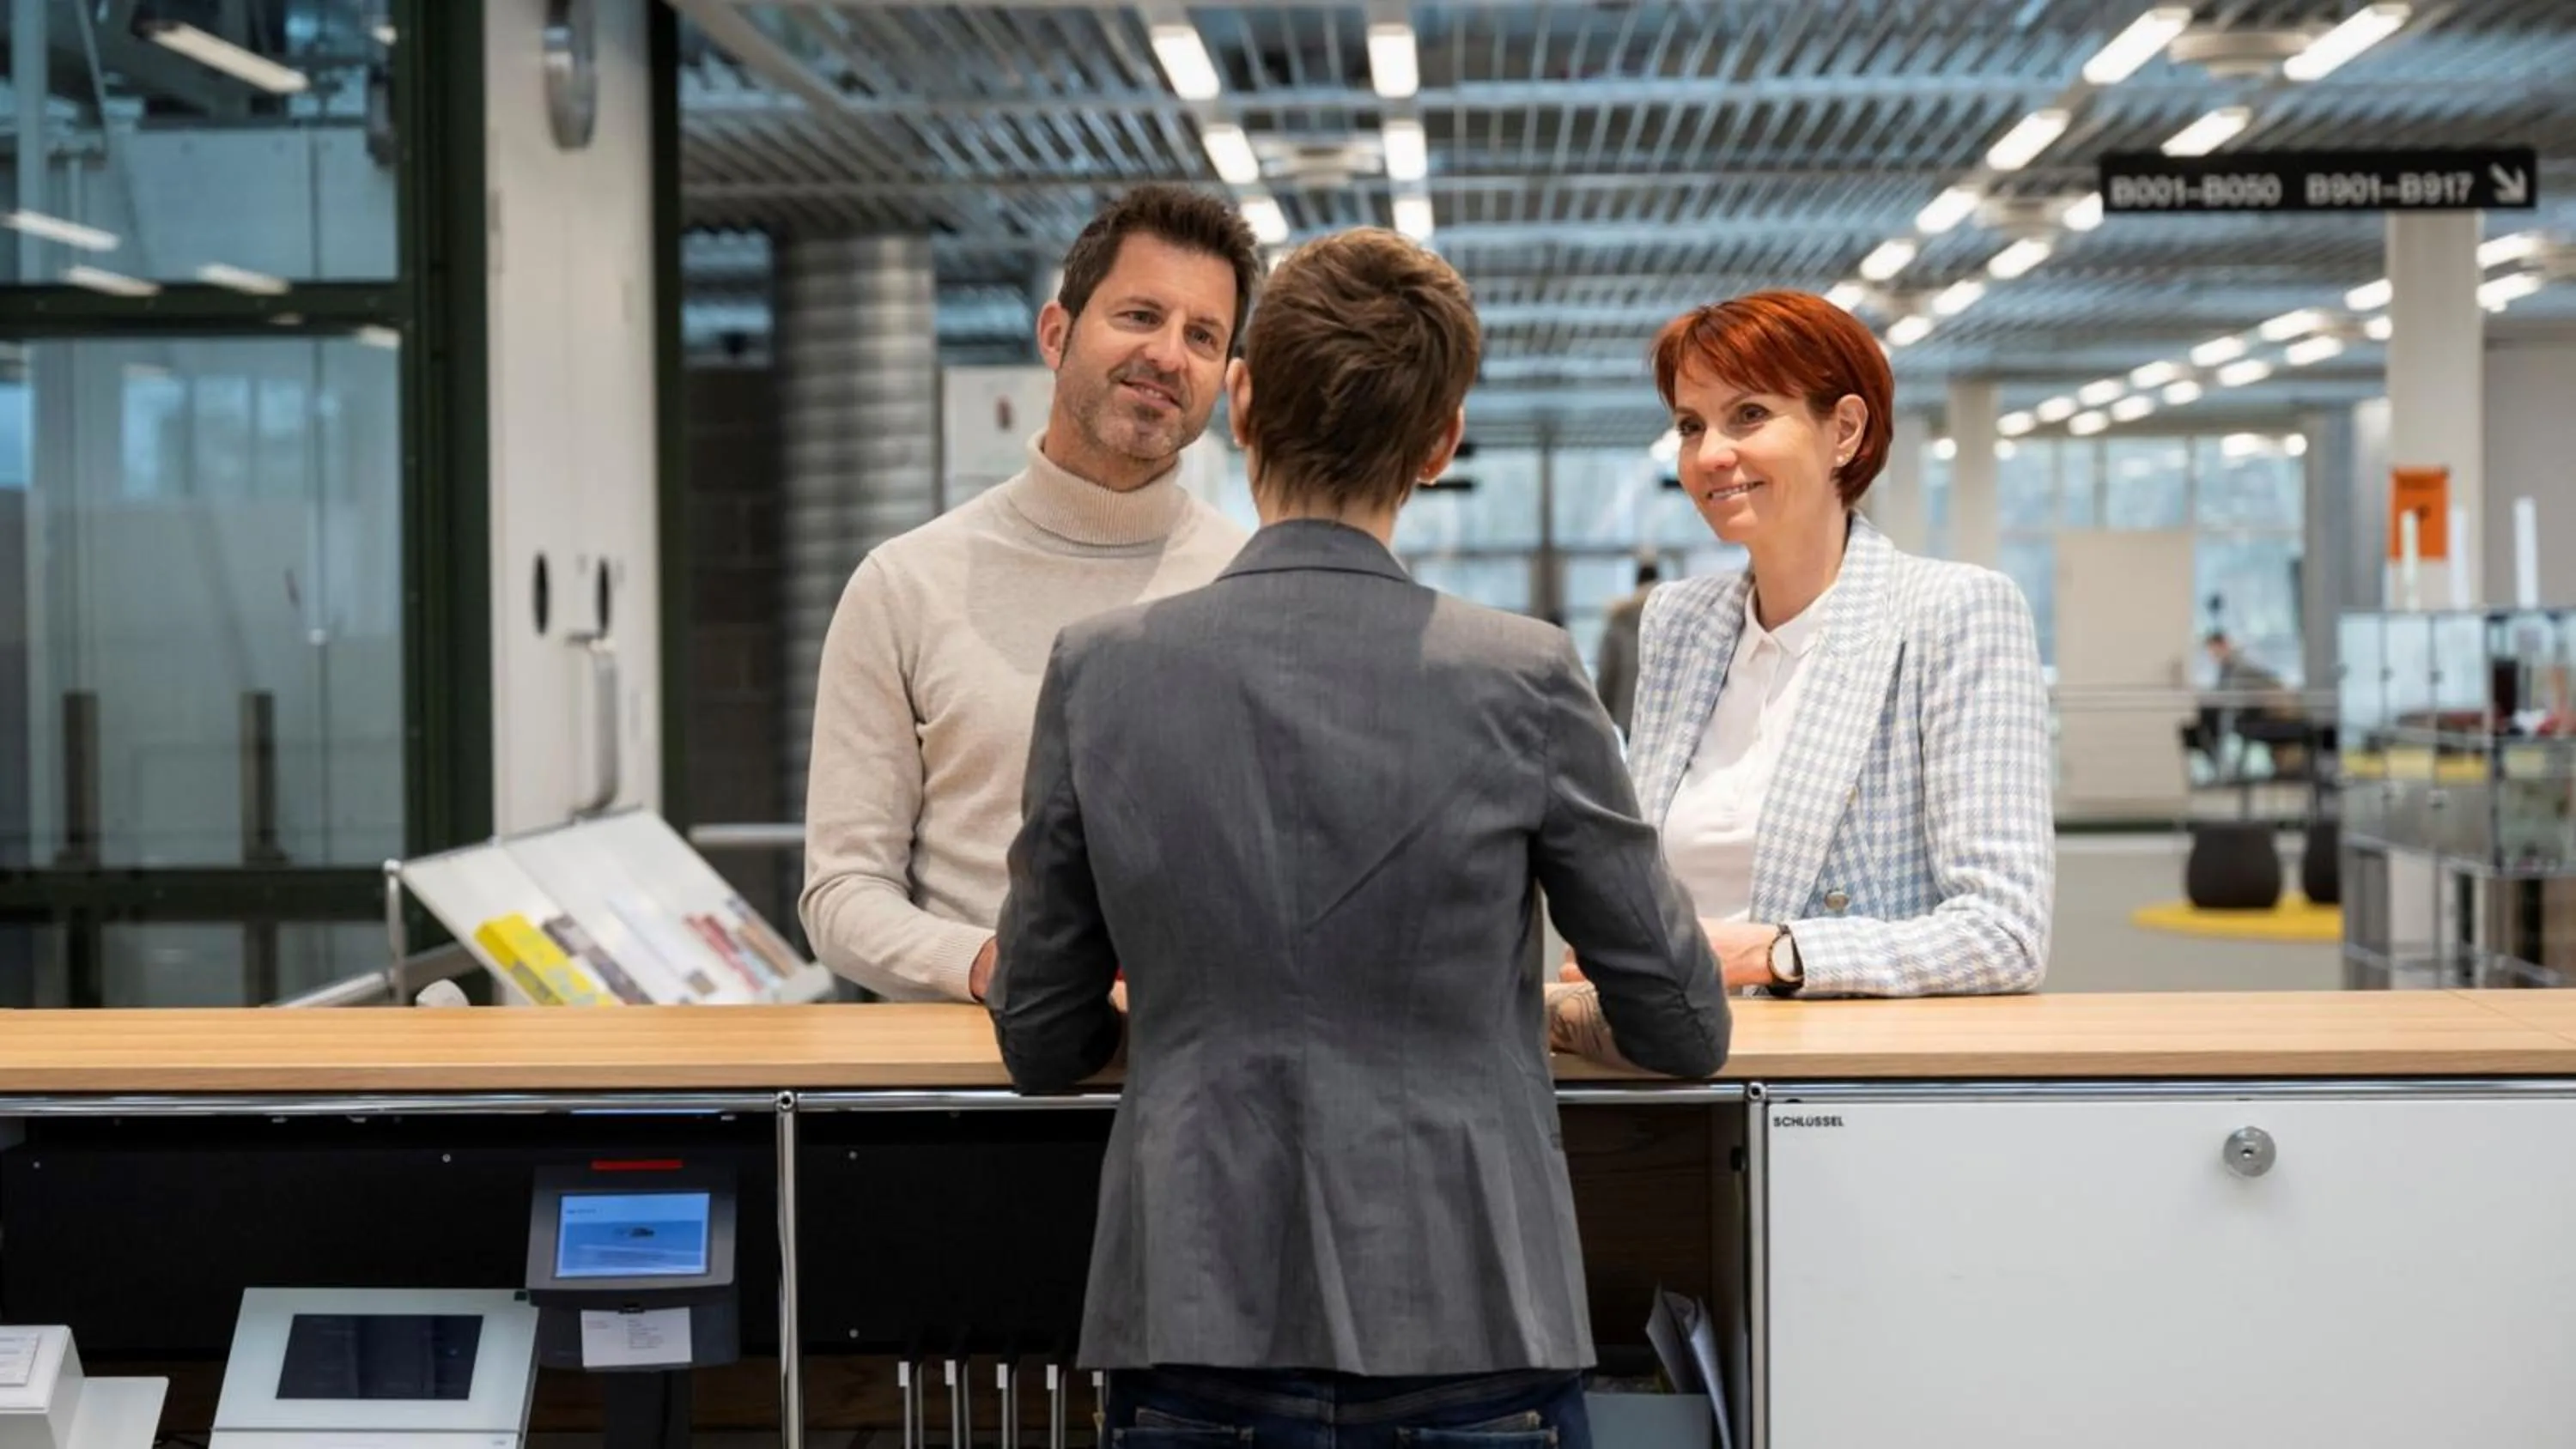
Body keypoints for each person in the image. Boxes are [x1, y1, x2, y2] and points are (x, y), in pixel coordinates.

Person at [986, 229, 1730, 1446]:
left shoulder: (1101, 673)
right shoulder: (1527, 678)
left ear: (1240, 401)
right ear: (1441, 445)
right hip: (1476, 1311)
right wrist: (1539, 1011)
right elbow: (1683, 1026)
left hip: (1192, 1314)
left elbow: (1038, 1030)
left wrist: (1182, 1011)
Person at [800, 185, 1259, 1003]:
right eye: (1139, 315)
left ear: (1224, 380)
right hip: (974, 1093)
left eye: (1201, 335)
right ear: (1057, 333)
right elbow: (842, 894)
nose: (1166, 354)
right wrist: (997, 965)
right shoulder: (904, 585)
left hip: (1207, 1089)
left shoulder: (1256, 584)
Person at [1572, 289, 2051, 1004]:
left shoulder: (1952, 614)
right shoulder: (1678, 623)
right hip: (1671, 1060)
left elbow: (2005, 934)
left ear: (1846, 431)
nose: (1711, 454)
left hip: (1838, 1084)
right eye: (1690, 425)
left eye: (1750, 415)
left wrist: (1775, 952)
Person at [1592, 557, 1659, 734]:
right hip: (1666, 713)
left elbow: (1607, 671)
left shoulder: (1620, 620)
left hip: (1628, 712)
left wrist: (1602, 710)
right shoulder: (1676, 617)